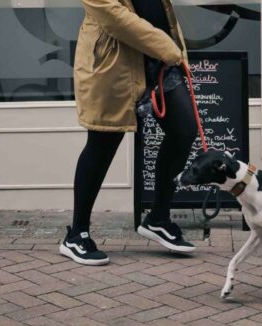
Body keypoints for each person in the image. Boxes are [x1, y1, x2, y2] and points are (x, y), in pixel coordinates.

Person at [59, 0, 198, 266]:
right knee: (103, 141)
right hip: (114, 64)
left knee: (183, 130)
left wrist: (175, 50)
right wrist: (169, 48)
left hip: (159, 62)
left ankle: (158, 219)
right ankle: (76, 235)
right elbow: (113, 17)